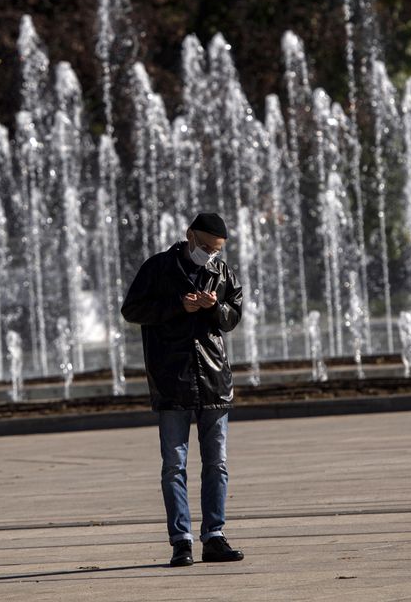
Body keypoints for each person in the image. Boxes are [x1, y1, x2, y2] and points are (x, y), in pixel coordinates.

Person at [121, 212, 245, 567]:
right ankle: (181, 541)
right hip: (171, 378)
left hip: (213, 379)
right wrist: (177, 306)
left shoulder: (222, 272)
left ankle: (215, 536)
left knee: (216, 464)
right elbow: (132, 310)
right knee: (174, 465)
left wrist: (214, 307)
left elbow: (232, 317)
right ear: (189, 235)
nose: (209, 254)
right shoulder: (157, 267)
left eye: (216, 250)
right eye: (204, 246)